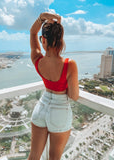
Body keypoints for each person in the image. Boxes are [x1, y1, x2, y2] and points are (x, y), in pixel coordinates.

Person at [28, 12, 79, 160]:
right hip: (60, 112)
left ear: (43, 40)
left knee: (33, 156)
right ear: (60, 40)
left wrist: (41, 18)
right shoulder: (69, 64)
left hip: (41, 108)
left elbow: (32, 33)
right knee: (54, 158)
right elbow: (74, 96)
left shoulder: (37, 59)